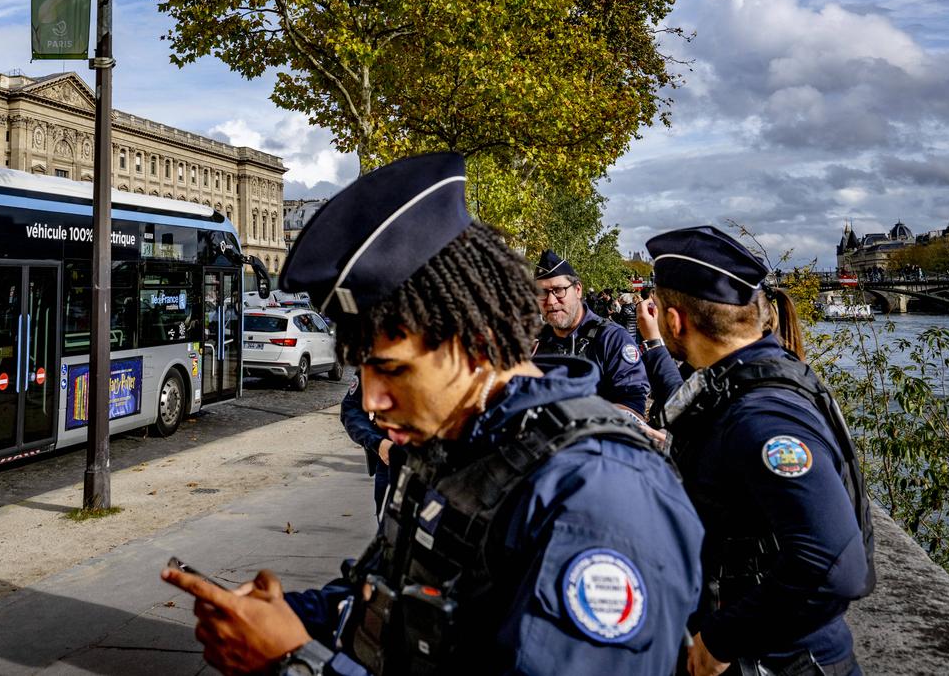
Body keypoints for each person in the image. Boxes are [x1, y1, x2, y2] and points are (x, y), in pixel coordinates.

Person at [162, 153, 703, 675]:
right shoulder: (450, 447)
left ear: (478, 343)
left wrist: (294, 660)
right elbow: (383, 599)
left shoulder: (597, 494)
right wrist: (288, 617)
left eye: (393, 371)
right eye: (364, 373)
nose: (370, 403)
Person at [648, 226, 874, 676]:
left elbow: (837, 564)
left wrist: (722, 638)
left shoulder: (762, 417)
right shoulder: (747, 384)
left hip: (778, 661)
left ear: (674, 321)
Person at [533, 251, 651, 417]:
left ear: (578, 290)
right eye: (542, 292)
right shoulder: (534, 342)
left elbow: (632, 404)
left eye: (559, 290)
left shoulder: (611, 338)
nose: (551, 301)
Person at [339, 374, 396, 517]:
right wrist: (376, 442)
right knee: (390, 528)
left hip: (445, 471)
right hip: (391, 464)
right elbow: (351, 410)